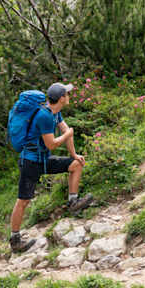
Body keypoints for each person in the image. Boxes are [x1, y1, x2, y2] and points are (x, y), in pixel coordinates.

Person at [9, 82, 93, 253]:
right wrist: (68, 134)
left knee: (76, 165)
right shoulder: (44, 116)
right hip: (30, 162)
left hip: (44, 160)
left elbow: (66, 132)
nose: (69, 96)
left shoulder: (56, 112)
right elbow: (52, 144)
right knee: (23, 200)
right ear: (62, 98)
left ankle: (73, 202)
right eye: (67, 94)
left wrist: (74, 154)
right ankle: (15, 240)